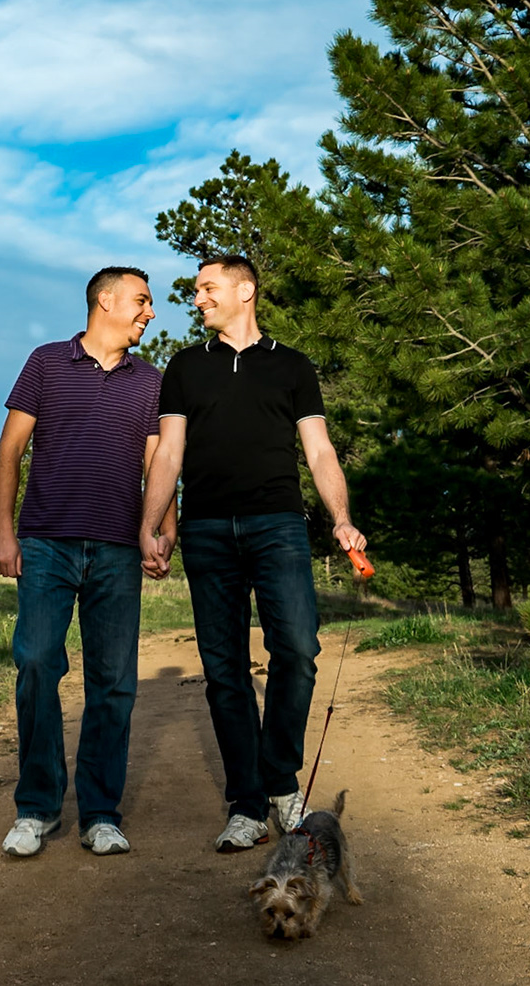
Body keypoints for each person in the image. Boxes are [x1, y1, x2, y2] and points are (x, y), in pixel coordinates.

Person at [138, 254, 366, 852]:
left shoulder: (292, 366)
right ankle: (246, 802)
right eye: (195, 291)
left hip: (278, 525)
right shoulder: (186, 366)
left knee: (297, 647)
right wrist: (154, 525)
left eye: (207, 288)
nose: (197, 299)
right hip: (207, 530)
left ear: (245, 290)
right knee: (225, 669)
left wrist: (341, 519)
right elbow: (168, 455)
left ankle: (280, 782)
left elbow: (319, 452)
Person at [0, 266, 172, 858]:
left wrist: (164, 529)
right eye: (142, 301)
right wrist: (3, 531)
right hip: (46, 544)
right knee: (37, 662)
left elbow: (157, 467)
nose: (150, 312)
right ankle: (37, 808)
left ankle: (100, 813)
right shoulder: (45, 362)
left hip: (119, 550)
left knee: (113, 683)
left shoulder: (152, 382)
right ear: (105, 301)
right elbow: (10, 450)